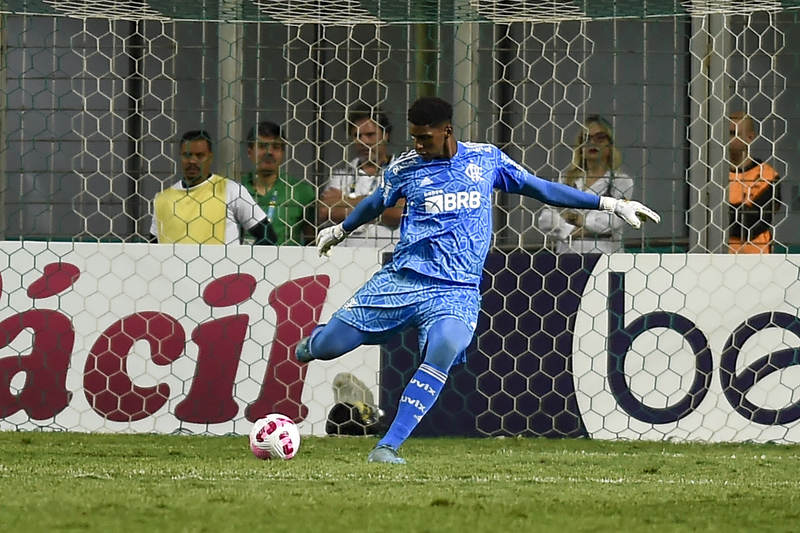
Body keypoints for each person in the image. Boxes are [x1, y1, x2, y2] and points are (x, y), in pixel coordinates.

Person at [294, 96, 660, 464]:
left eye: (426, 138)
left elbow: (542, 188)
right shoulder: (406, 167)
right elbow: (377, 202)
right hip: (403, 279)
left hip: (456, 290)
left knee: (444, 349)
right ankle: (316, 341)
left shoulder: (485, 160)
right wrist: (341, 230)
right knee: (326, 348)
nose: (419, 145)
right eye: (415, 138)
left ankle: (386, 447)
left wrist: (611, 205)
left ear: (447, 131)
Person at [150, 130, 276, 245]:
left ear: (210, 157)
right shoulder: (163, 199)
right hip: (175, 269)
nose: (192, 161)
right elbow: (153, 247)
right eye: (187, 155)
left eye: (199, 156)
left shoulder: (230, 190)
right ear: (180, 156)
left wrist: (242, 262)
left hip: (222, 269)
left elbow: (268, 236)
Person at [537, 115, 634, 253]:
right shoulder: (566, 179)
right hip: (567, 257)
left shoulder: (622, 182)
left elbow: (612, 221)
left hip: (604, 258)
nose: (592, 142)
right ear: (580, 147)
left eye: (600, 138)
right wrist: (577, 230)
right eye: (586, 138)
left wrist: (575, 219)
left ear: (610, 145)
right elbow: (546, 219)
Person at [318, 106, 404, 251]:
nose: (363, 141)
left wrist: (345, 201)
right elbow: (326, 211)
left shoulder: (402, 172)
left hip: (390, 255)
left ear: (385, 135)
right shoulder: (341, 175)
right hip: (346, 255)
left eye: (370, 135)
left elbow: (398, 212)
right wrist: (381, 205)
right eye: (357, 135)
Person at [241, 121, 316, 245]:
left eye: (275, 147)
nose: (269, 152)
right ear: (250, 152)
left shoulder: (301, 191)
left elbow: (312, 239)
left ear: (283, 153)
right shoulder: (237, 190)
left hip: (288, 263)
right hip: (243, 262)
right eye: (262, 146)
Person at [727, 112, 782, 254]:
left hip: (757, 260)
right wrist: (741, 210)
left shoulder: (768, 176)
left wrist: (726, 211)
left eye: (733, 133)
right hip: (718, 259)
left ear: (750, 137)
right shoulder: (710, 174)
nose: (726, 139)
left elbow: (755, 224)